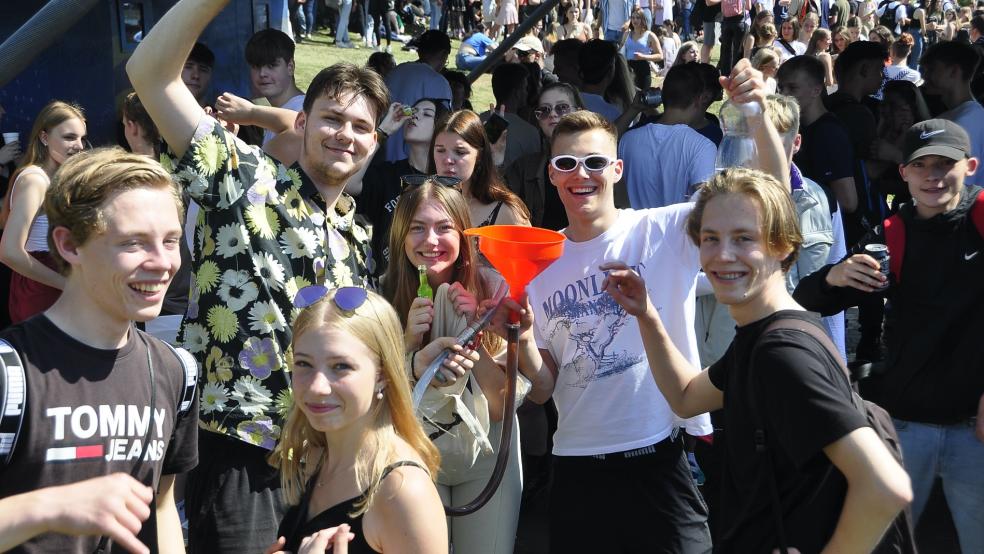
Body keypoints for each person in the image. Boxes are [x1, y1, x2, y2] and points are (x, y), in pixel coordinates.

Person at [127, 0, 389, 549]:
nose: (346, 134)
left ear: (373, 144)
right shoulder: (243, 176)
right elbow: (149, 73)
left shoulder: (358, 237)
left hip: (327, 459)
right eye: (332, 119)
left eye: (361, 126)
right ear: (301, 122)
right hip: (242, 451)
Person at [516, 90, 794, 549]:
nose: (580, 175)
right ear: (551, 174)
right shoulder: (539, 263)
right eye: (566, 164)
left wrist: (758, 114)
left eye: (595, 163)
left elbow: (768, 198)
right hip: (576, 465)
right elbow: (544, 387)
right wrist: (524, 338)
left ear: (617, 170)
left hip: (659, 458)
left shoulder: (663, 229)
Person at [606, 162, 912, 552]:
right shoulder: (764, 336)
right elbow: (686, 396)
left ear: (783, 245)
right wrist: (647, 314)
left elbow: (885, 486)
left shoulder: (782, 355)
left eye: (743, 238)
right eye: (710, 238)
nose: (722, 255)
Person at [794, 119, 983, 553]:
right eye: (921, 166)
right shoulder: (892, 233)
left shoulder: (981, 218)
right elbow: (810, 298)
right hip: (906, 424)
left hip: (975, 429)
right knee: (889, 544)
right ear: (904, 174)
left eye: (944, 164)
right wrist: (836, 276)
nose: (933, 176)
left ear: (969, 166)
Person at [0, 147, 199, 553]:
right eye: (134, 243)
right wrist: (48, 507)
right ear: (70, 245)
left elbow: (160, 507)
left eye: (171, 240)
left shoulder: (176, 370)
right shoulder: (11, 372)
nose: (162, 263)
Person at [382, 181, 541, 554]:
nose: (430, 240)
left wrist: (476, 337)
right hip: (413, 451)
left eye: (444, 227)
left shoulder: (492, 292)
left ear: (463, 233)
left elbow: (502, 407)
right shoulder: (382, 295)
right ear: (401, 236)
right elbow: (374, 401)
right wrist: (408, 347)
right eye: (417, 228)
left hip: (486, 455)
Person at [269, 287, 455, 553]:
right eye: (304, 364)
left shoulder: (402, 491)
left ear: (382, 375)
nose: (317, 387)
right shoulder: (314, 457)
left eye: (341, 366)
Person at [0, 101, 85, 323]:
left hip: (59, 293)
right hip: (42, 297)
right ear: (44, 137)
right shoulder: (34, 180)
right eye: (69, 137)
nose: (79, 145)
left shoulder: (56, 179)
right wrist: (67, 284)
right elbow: (10, 252)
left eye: (81, 138)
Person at [350, 98, 451, 275]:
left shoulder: (447, 179)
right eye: (414, 111)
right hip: (388, 285)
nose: (415, 116)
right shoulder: (388, 174)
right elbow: (350, 184)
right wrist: (384, 130)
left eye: (426, 114)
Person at [620, 63, 717, 208]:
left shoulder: (627, 139)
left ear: (662, 95)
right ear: (700, 98)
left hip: (635, 229)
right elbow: (705, 205)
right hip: (677, 230)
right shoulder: (703, 146)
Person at [505, 82, 585, 229]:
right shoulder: (524, 167)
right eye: (544, 110)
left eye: (562, 108)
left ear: (578, 112)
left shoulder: (597, 163)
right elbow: (495, 203)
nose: (553, 114)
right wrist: (494, 157)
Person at [431, 110, 530, 227]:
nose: (448, 160)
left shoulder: (507, 212)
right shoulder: (420, 202)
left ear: (478, 156)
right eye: (440, 150)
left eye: (459, 152)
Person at [920, 41, 984, 186]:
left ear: (954, 71)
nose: (925, 76)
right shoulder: (971, 115)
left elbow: (959, 188)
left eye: (931, 69)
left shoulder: (963, 124)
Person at [383, 30, 454, 162]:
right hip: (412, 163)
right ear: (444, 54)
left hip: (381, 154)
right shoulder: (439, 81)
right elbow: (444, 126)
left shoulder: (395, 72)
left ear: (419, 51)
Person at [244, 29, 307, 146]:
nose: (262, 73)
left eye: (271, 65)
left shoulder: (302, 109)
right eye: (256, 66)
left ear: (290, 67)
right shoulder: (280, 109)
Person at [483, 63, 542, 169]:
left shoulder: (476, 120)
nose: (526, 92)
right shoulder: (530, 133)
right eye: (525, 88)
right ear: (517, 92)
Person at [622, 8, 664, 90]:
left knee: (642, 97)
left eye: (638, 18)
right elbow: (621, 50)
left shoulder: (650, 35)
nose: (635, 20)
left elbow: (660, 56)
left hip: (643, 68)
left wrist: (644, 56)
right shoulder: (626, 34)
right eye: (633, 18)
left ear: (643, 19)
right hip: (628, 68)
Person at [720, 0, 752, 75]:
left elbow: (722, 9)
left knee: (726, 50)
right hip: (740, 21)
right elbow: (748, 7)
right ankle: (736, 74)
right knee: (738, 50)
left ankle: (725, 75)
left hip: (726, 21)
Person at [182, 42, 215, 107]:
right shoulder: (157, 113)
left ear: (210, 76)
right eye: (188, 67)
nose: (196, 76)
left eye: (203, 69)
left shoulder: (217, 116)